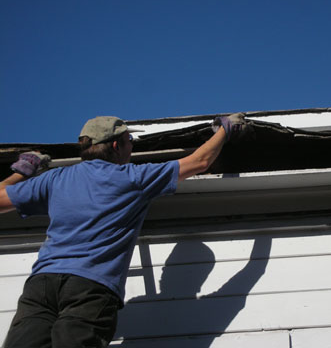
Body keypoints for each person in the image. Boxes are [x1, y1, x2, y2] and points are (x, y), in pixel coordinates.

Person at [0, 113, 246, 348]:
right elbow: (199, 162)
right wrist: (225, 129)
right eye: (130, 142)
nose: (132, 148)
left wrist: (22, 171)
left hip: (42, 284)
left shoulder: (55, 179)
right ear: (116, 145)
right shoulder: (132, 178)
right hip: (90, 287)